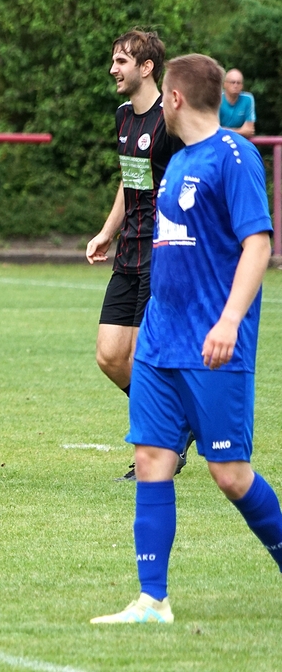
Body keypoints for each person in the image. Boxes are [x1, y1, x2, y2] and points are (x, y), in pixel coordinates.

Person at [91, 53, 282, 625]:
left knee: (230, 474)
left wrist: (229, 321)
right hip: (159, 341)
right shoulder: (175, 162)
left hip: (213, 344)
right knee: (151, 457)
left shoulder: (234, 156)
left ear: (174, 98)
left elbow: (258, 246)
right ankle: (152, 600)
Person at [85, 30, 187, 481]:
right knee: (110, 355)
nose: (113, 69)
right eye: (114, 60)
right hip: (129, 248)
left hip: (163, 252)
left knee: (146, 357)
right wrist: (107, 232)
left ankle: (160, 446)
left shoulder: (171, 121)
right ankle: (179, 421)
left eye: (122, 61)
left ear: (147, 68)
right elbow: (131, 180)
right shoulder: (123, 116)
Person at [219, 68, 255, 138]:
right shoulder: (217, 99)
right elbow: (214, 130)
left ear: (242, 86)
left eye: (238, 83)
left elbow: (249, 131)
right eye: (232, 82)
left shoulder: (248, 99)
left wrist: (224, 130)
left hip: (240, 141)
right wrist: (241, 131)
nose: (235, 86)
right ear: (225, 84)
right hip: (220, 140)